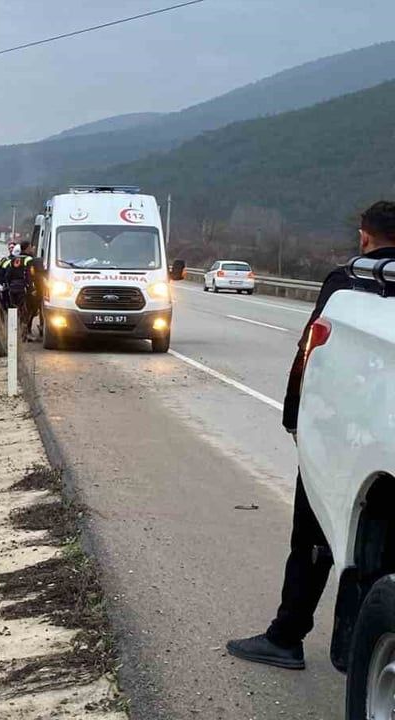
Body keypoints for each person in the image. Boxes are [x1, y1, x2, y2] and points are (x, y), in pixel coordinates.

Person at [227, 200, 395, 671]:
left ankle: (286, 636)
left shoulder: (350, 285)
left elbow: (310, 355)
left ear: (364, 237)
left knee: (313, 534)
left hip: (345, 428)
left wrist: (295, 415)